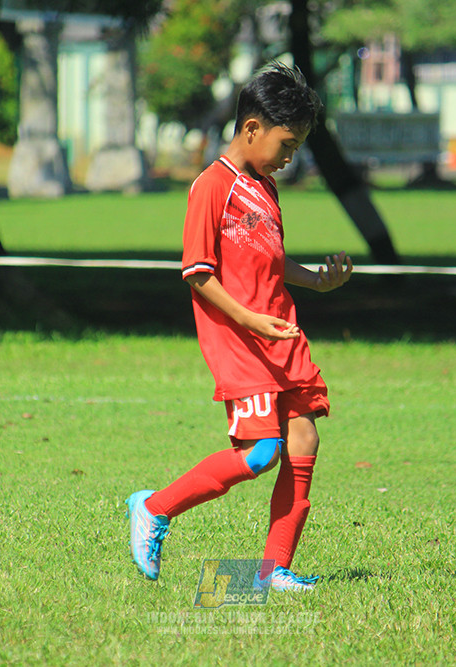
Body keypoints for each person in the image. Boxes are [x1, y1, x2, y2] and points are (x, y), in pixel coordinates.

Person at [125, 62, 353, 592]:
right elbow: (197, 273)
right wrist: (251, 319)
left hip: (280, 334)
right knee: (258, 453)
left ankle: (275, 570)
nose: (291, 158)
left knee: (303, 440)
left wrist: (316, 282)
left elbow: (270, 260)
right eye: (287, 144)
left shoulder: (265, 186)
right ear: (252, 129)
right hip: (241, 339)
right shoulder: (210, 186)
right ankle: (154, 508)